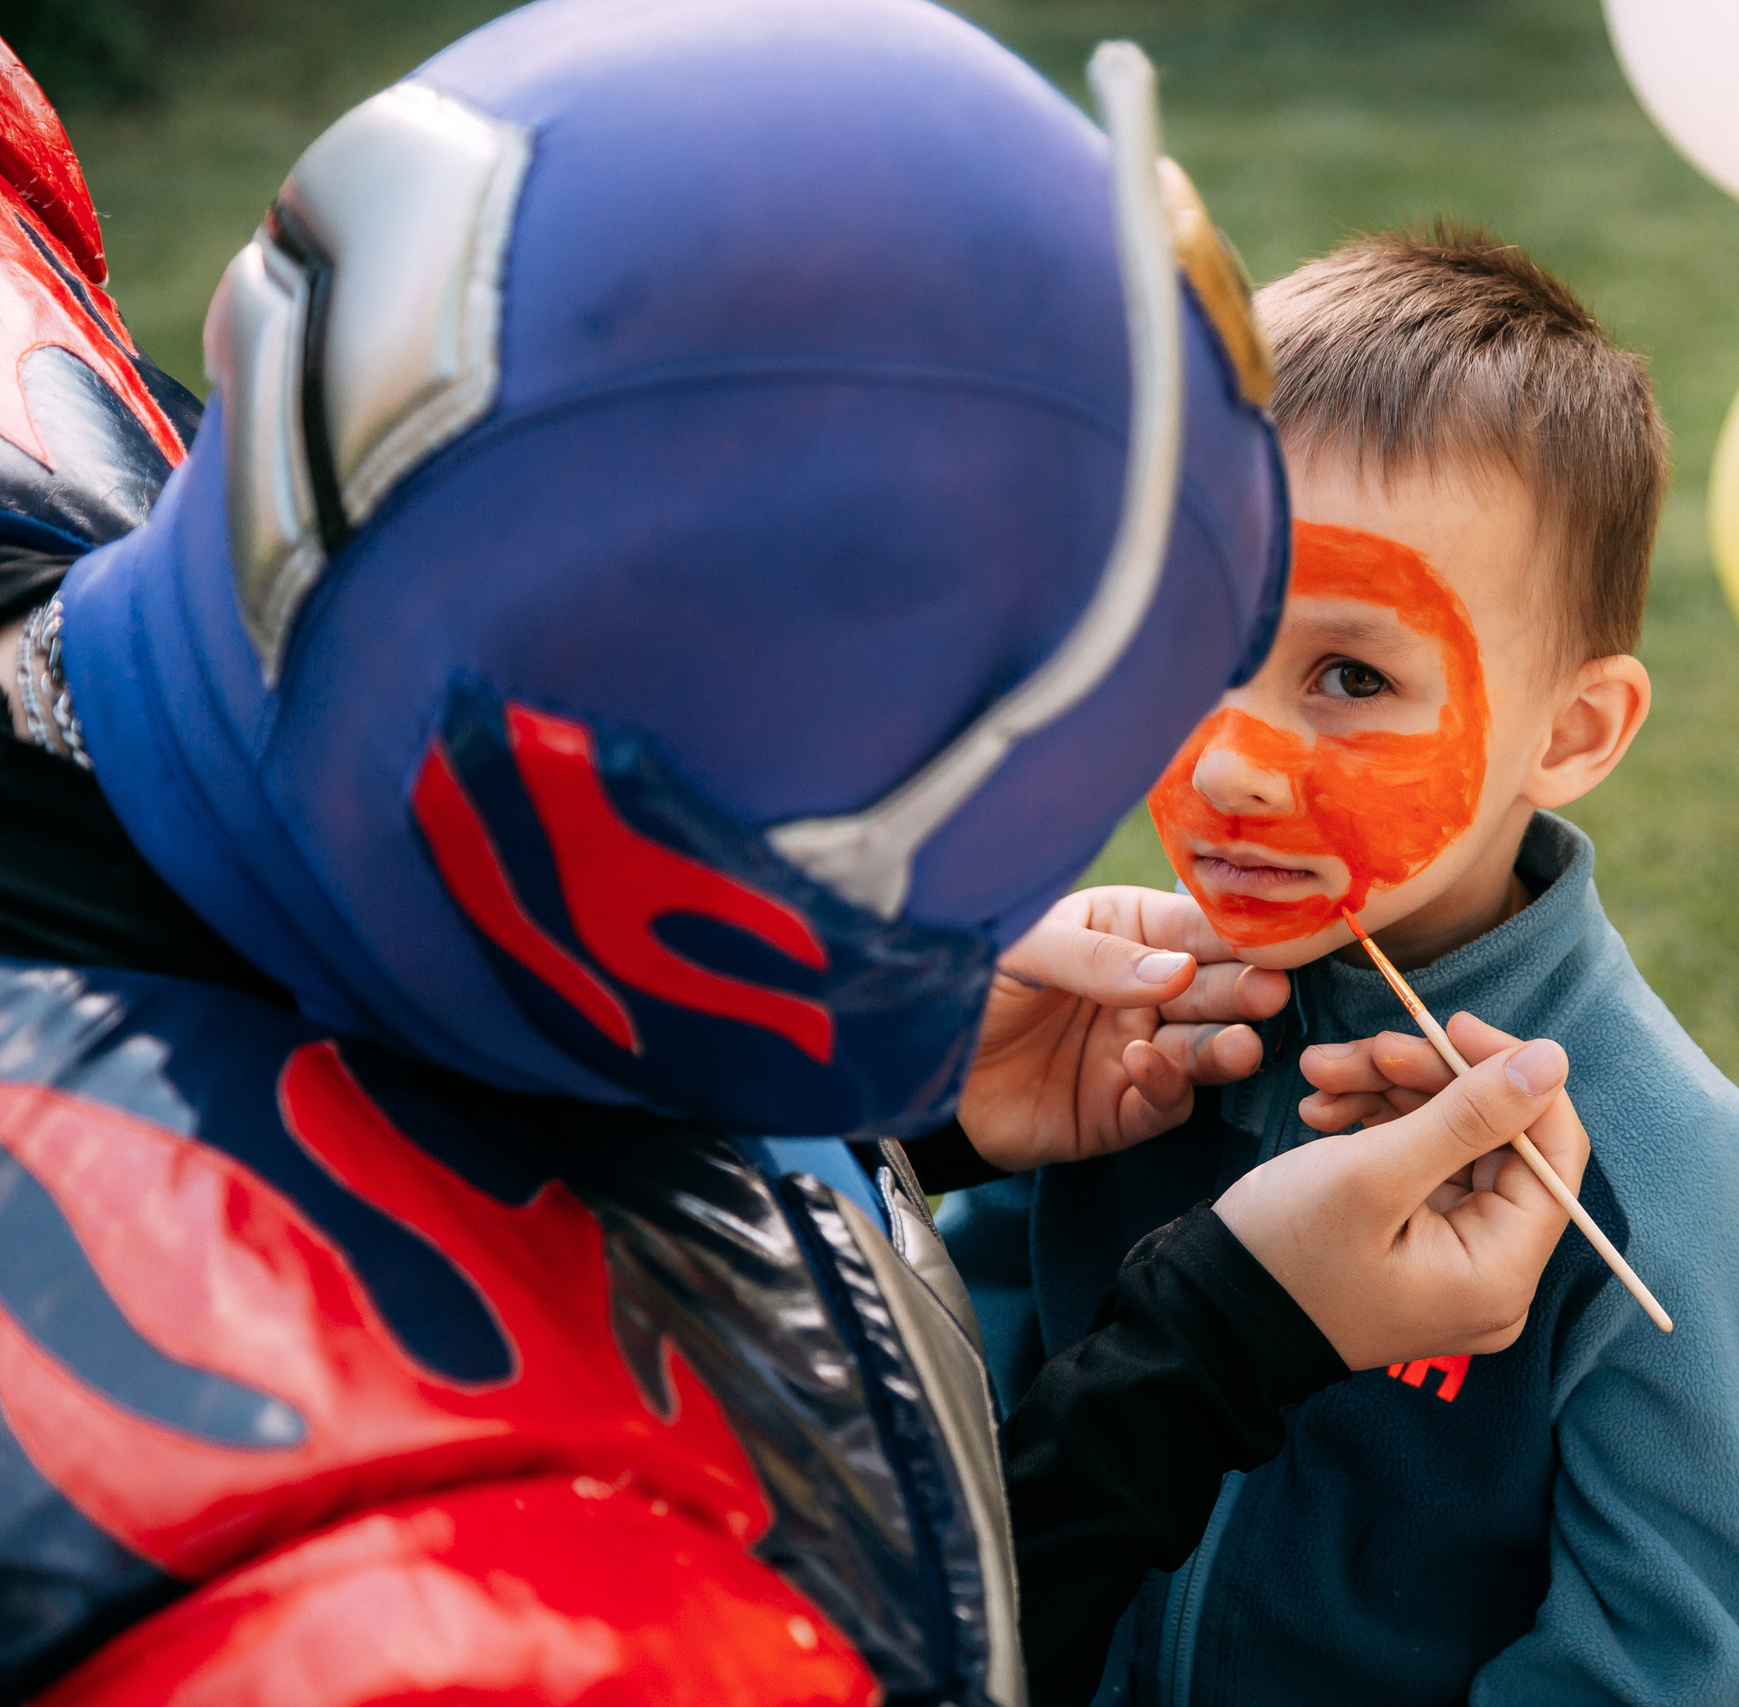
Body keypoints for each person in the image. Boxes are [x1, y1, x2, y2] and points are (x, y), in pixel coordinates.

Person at [0, 12, 1589, 1702]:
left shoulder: (193, 559)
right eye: (970, 828)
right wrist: (1220, 1341)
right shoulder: (463, 1619)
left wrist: (881, 1092)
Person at [948, 227, 1739, 1706]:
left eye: (1352, 678)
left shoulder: (1654, 1165)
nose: (1232, 764)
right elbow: (957, 1412)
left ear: (1572, 733)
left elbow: (1667, 1662)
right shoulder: (1109, 1035)